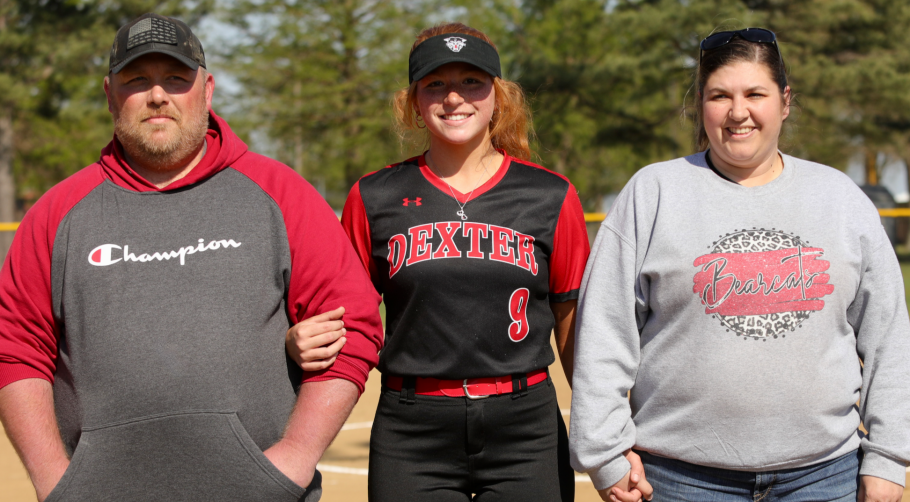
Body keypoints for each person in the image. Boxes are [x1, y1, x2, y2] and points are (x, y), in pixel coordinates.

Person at [0, 13, 382, 502]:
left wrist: (294, 458)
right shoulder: (57, 213)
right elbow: (17, 350)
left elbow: (355, 326)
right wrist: (57, 482)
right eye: (137, 79)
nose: (157, 95)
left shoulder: (280, 193)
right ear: (109, 93)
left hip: (257, 494)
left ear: (207, 89)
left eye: (176, 78)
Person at [285, 22, 651, 502]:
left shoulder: (549, 194)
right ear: (414, 101)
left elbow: (573, 327)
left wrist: (605, 444)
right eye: (435, 84)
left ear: (498, 95)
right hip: (411, 428)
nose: (454, 97)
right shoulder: (373, 196)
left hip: (526, 426)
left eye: (471, 81)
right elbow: (343, 312)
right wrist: (295, 337)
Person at [569, 27, 910, 502]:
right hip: (679, 480)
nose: (738, 112)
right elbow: (603, 334)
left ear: (785, 101)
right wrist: (604, 453)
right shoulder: (654, 193)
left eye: (755, 93)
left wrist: (890, 457)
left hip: (824, 478)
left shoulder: (839, 198)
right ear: (700, 104)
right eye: (719, 95)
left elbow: (889, 336)